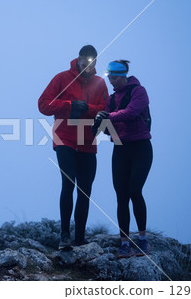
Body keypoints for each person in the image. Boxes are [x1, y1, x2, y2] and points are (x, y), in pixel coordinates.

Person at [38, 45, 108, 250]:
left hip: (87, 142)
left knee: (85, 190)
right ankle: (64, 237)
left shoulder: (100, 83)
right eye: (84, 61)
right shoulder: (61, 78)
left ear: (96, 62)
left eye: (92, 62)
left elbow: (106, 110)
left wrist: (87, 108)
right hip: (64, 140)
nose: (87, 65)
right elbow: (43, 104)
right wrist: (69, 105)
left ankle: (80, 238)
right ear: (78, 59)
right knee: (68, 185)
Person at [93, 60, 153, 258]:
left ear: (124, 75)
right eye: (109, 77)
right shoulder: (111, 99)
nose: (111, 81)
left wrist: (109, 117)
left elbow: (132, 112)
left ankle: (143, 241)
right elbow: (108, 126)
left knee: (135, 190)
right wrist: (99, 122)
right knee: (121, 197)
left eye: (115, 77)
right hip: (120, 149)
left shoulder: (139, 91)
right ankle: (124, 243)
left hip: (141, 147)